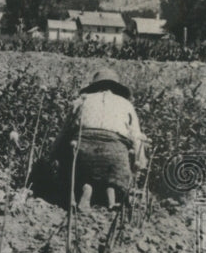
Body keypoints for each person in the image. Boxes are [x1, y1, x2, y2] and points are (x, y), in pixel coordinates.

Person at [50, 67, 148, 207]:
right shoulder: (126, 104)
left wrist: (54, 155)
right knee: (116, 176)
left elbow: (64, 133)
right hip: (114, 155)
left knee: (75, 171)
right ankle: (111, 191)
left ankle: (84, 187)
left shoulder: (81, 101)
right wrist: (140, 163)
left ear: (94, 86)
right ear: (116, 88)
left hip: (82, 151)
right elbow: (136, 137)